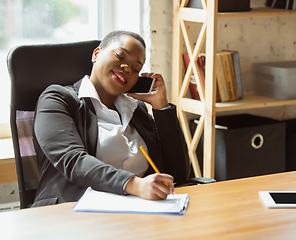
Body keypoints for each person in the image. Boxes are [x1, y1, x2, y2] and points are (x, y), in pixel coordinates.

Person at [31, 30, 189, 207]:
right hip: (74, 213)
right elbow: (74, 161)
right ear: (96, 54)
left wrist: (161, 108)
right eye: (120, 56)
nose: (127, 68)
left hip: (140, 212)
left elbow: (178, 173)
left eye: (136, 68)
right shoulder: (57, 99)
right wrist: (134, 184)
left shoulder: (137, 110)